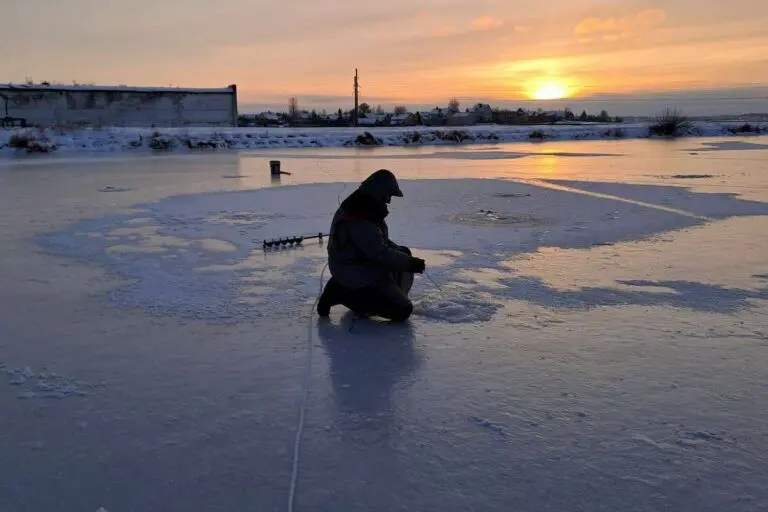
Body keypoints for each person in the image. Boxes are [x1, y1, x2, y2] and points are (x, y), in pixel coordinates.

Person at [317, 169, 426, 321]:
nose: (388, 200)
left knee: (404, 253)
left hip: (355, 266)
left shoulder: (363, 206)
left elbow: (378, 243)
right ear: (378, 191)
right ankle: (341, 292)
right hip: (355, 272)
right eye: (388, 195)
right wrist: (409, 263)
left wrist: (404, 256)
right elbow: (378, 254)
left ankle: (351, 288)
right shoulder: (360, 217)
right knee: (402, 310)